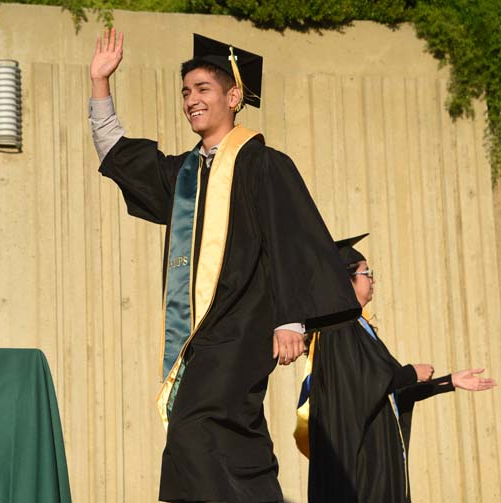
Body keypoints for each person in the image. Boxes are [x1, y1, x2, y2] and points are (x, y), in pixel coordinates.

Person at [90, 29, 361, 502]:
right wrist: (100, 84)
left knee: (195, 428)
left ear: (234, 96)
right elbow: (121, 157)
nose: (191, 99)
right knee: (231, 439)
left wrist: (291, 319)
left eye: (203, 89)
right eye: (186, 92)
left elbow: (291, 240)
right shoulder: (184, 175)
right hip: (200, 336)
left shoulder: (264, 164)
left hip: (246, 329)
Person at [296, 233, 496, 502]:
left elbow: (393, 389)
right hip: (362, 465)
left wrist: (450, 381)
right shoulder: (339, 332)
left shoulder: (361, 328)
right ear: (347, 279)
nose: (373, 279)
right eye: (368, 272)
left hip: (382, 458)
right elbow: (365, 385)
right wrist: (410, 372)